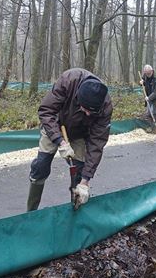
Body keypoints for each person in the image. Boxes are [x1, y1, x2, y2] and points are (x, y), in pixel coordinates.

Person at [26, 68, 113, 212]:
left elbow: (97, 143)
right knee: (41, 166)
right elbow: (46, 111)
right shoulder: (69, 80)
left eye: (92, 112)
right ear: (78, 97)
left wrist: (86, 181)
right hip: (54, 125)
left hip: (80, 133)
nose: (87, 113)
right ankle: (31, 211)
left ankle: (76, 209)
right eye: (85, 109)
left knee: (79, 172)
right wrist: (60, 141)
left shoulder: (105, 106)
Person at [140, 64, 156, 133]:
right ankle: (153, 127)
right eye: (146, 73)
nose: (148, 75)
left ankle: (154, 129)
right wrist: (142, 82)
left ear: (152, 71)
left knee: (153, 113)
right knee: (148, 115)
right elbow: (143, 81)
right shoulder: (146, 75)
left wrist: (149, 98)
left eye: (149, 73)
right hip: (149, 98)